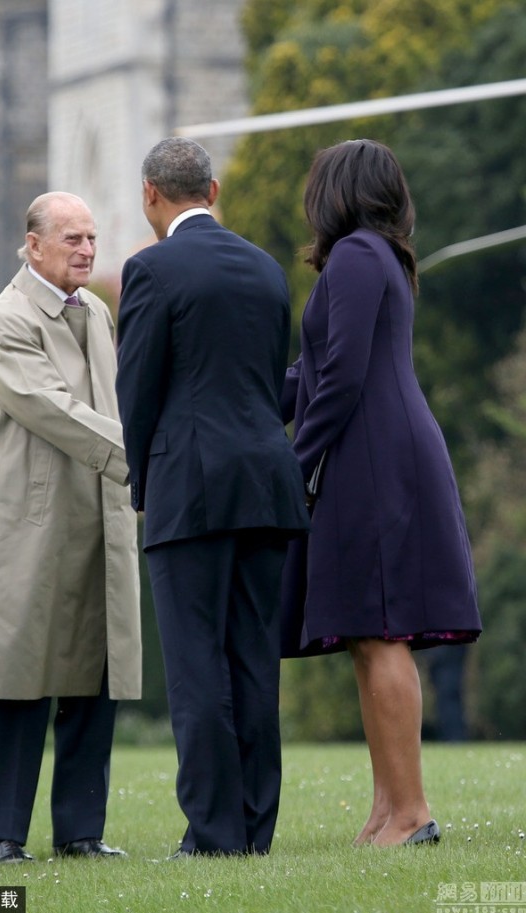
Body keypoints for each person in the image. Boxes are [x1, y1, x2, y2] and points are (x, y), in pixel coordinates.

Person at [281, 139, 482, 847]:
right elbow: (311, 373)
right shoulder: (370, 257)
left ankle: (412, 811)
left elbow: (340, 377)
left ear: (335, 190)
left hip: (377, 458)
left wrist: (293, 464)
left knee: (384, 627)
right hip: (371, 452)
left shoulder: (361, 256)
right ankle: (385, 810)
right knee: (367, 634)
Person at [115, 137, 310, 857]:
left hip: (188, 487)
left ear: (150, 195)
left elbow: (136, 392)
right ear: (214, 190)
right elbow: (268, 379)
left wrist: (143, 481)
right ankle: (255, 829)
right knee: (254, 661)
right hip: (266, 482)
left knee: (197, 667)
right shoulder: (265, 268)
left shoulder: (150, 270)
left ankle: (211, 832)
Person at [0, 191, 141, 866]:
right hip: (31, 528)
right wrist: (144, 456)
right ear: (32, 245)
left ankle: (81, 832)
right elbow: (53, 409)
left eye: (92, 238)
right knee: (16, 678)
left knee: (94, 676)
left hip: (100, 516)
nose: (86, 249)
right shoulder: (2, 321)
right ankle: (2, 836)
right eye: (71, 238)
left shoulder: (96, 311)